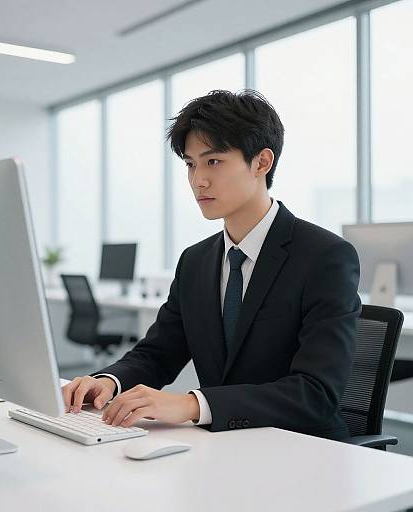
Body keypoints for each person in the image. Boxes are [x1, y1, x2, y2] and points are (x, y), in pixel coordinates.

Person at [61, 89, 361, 440]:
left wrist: (192, 404)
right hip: (223, 448)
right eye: (191, 164)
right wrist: (108, 382)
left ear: (262, 163)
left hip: (304, 449)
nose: (198, 180)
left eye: (213, 161)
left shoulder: (323, 256)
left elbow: (316, 393)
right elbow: (158, 354)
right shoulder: (196, 261)